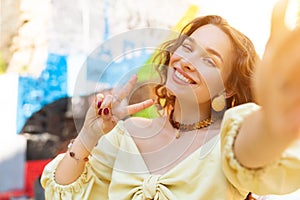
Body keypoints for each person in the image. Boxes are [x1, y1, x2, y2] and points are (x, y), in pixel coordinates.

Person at [41, 0, 300, 199]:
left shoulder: (229, 142)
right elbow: (60, 193)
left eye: (209, 60)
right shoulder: (127, 134)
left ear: (229, 88)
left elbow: (255, 151)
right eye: (187, 47)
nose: (187, 62)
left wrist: (275, 118)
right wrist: (89, 134)